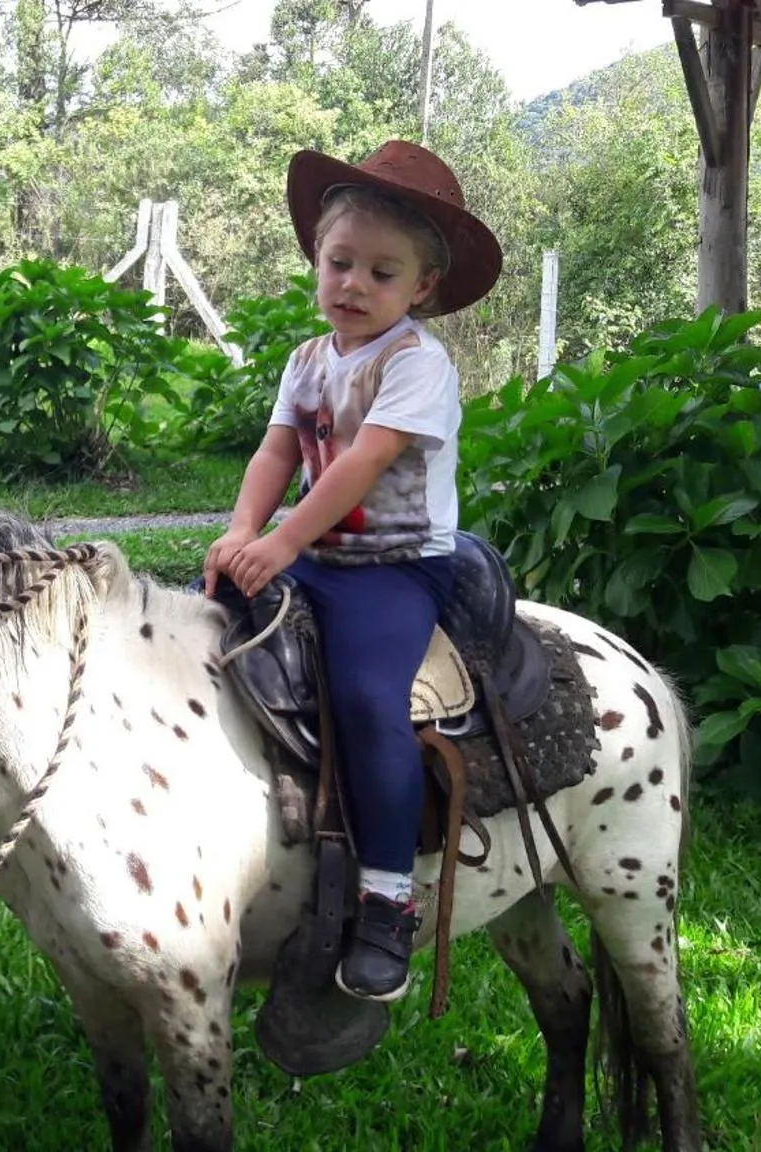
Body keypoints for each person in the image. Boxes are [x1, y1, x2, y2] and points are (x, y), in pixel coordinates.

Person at [202, 140, 502, 1003]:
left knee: (372, 700)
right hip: (310, 550)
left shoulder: (417, 365)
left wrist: (282, 545)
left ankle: (385, 897)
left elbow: (359, 464)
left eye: (381, 271)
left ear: (421, 290)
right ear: (315, 262)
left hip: (394, 570)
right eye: (339, 263)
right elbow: (276, 450)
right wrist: (240, 530)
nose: (353, 285)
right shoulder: (306, 360)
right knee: (199, 630)